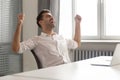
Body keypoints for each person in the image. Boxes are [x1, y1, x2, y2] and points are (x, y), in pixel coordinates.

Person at [12, 9, 82, 68]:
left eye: (52, 16)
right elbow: (17, 48)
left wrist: (78, 23)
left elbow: (77, 43)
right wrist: (19, 25)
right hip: (52, 75)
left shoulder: (61, 38)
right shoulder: (37, 40)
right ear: (40, 22)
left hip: (68, 71)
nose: (52, 18)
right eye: (48, 16)